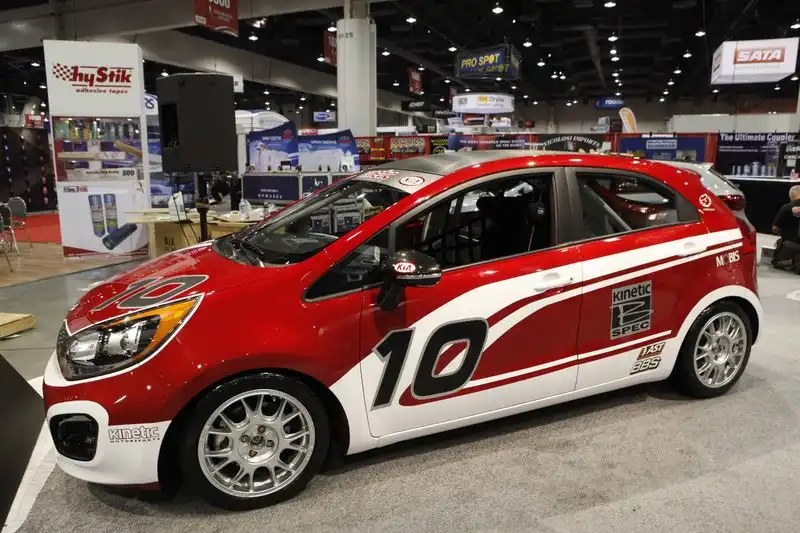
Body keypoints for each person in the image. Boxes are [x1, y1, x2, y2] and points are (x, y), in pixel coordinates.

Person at [771, 185, 800, 270]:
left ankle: (794, 262)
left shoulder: (787, 207)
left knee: (776, 262)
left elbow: (775, 228)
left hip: (792, 244)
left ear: (791, 196)